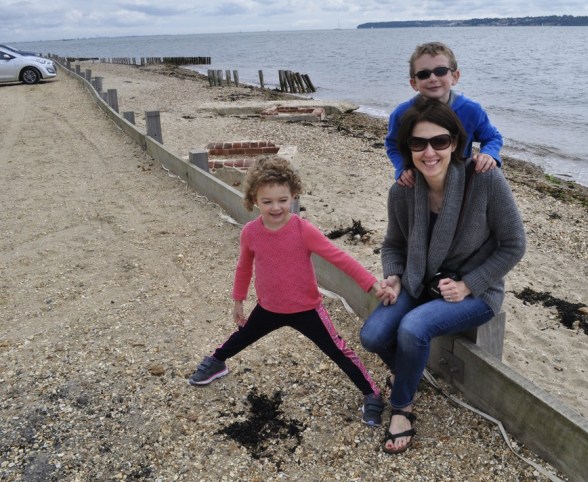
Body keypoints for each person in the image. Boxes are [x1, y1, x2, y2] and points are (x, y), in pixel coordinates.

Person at [361, 98, 526, 454]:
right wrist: (394, 276)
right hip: (419, 280)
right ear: (408, 148)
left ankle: (402, 407)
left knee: (412, 328)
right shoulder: (403, 190)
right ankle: (409, 373)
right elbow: (392, 245)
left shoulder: (485, 180)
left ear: (455, 143)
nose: (429, 152)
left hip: (476, 291)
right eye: (418, 143)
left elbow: (514, 245)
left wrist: (469, 285)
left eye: (439, 141)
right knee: (372, 336)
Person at [189, 156, 390, 427]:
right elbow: (243, 268)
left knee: (339, 351)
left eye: (282, 200)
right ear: (254, 200)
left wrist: (371, 283)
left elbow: (339, 258)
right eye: (267, 201)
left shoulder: (303, 230)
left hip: (307, 310)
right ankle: (217, 361)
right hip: (268, 308)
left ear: (293, 195)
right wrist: (238, 301)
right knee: (241, 336)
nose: (276, 207)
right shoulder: (250, 232)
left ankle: (371, 392)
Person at [386, 41, 503, 187]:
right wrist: (402, 168)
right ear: (414, 83)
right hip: (419, 180)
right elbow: (393, 144)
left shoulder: (471, 110)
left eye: (440, 71)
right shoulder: (402, 114)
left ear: (455, 76)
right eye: (423, 74)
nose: (433, 78)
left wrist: (488, 154)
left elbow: (493, 137)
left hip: (460, 181)